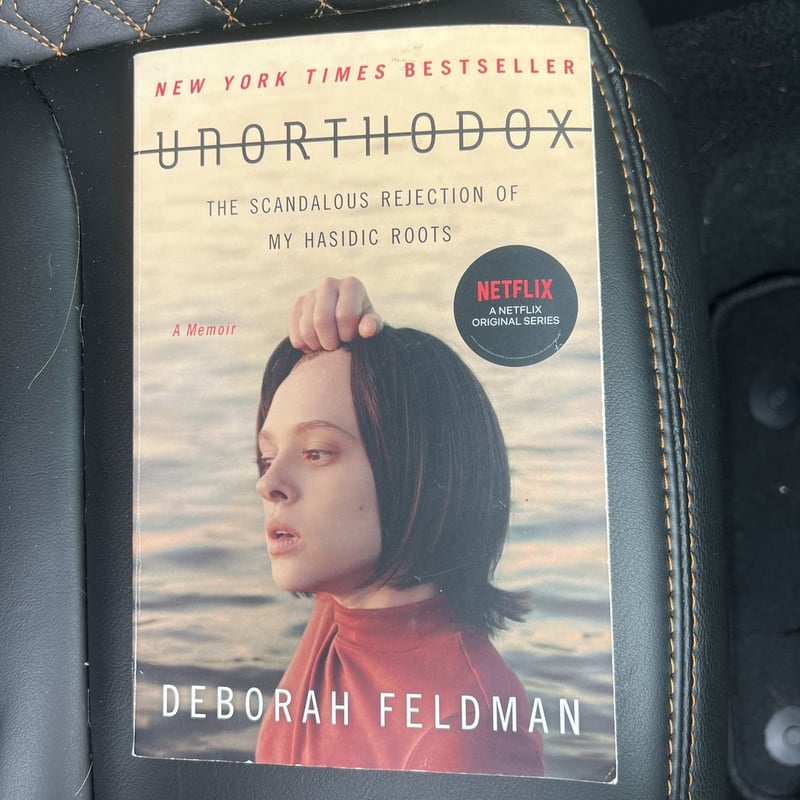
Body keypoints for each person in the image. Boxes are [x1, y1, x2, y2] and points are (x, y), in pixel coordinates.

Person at [254, 277, 545, 776]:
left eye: (316, 452)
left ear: (416, 470)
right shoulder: (347, 605)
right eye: (266, 457)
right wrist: (354, 332)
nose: (268, 484)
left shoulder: (466, 737)